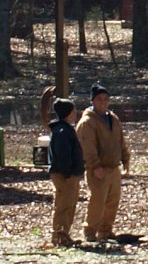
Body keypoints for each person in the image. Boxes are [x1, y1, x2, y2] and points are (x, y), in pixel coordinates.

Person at [76, 83, 130, 242]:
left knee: (113, 201)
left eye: (106, 99)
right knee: (97, 201)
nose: (103, 102)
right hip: (97, 170)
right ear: (92, 101)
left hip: (113, 168)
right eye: (99, 99)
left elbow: (121, 141)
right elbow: (87, 147)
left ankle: (105, 231)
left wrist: (125, 159)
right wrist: (94, 166)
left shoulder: (113, 119)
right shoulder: (87, 122)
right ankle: (90, 231)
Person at [48, 97, 84, 247]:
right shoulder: (63, 131)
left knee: (68, 204)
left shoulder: (63, 129)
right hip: (65, 175)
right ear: (68, 112)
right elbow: (63, 154)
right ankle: (60, 236)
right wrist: (68, 172)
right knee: (64, 205)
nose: (76, 113)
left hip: (67, 173)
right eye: (73, 110)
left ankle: (64, 234)